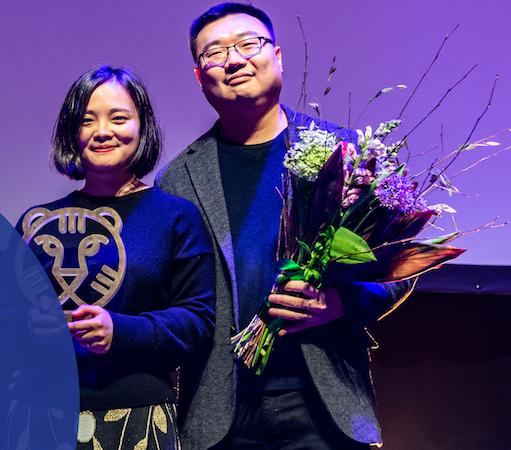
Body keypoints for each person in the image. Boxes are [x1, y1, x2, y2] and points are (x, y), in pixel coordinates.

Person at [155, 3, 412, 450]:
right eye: (213, 53)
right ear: (200, 77)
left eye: (246, 44)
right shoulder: (178, 178)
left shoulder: (343, 151)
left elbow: (399, 269)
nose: (233, 60)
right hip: (221, 413)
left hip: (323, 404)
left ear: (277, 55)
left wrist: (338, 302)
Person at [12, 66, 215, 450]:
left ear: (143, 126)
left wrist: (119, 331)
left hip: (139, 416)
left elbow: (197, 322)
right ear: (72, 133)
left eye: (118, 117)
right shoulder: (34, 222)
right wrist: (28, 327)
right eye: (87, 120)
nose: (102, 131)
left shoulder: (176, 217)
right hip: (38, 413)